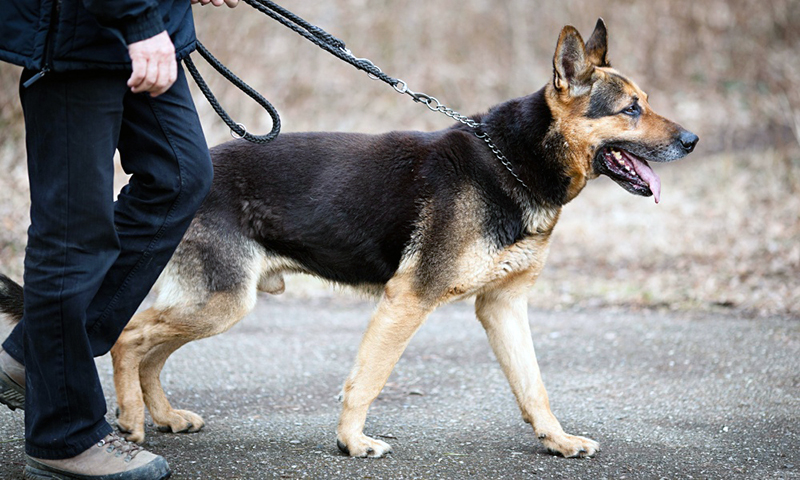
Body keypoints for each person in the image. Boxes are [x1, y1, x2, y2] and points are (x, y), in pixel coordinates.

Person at [0, 0, 238, 477]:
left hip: (139, 26)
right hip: (77, 31)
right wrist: (140, 21)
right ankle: (62, 439)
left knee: (178, 178)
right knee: (73, 231)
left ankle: (36, 355)